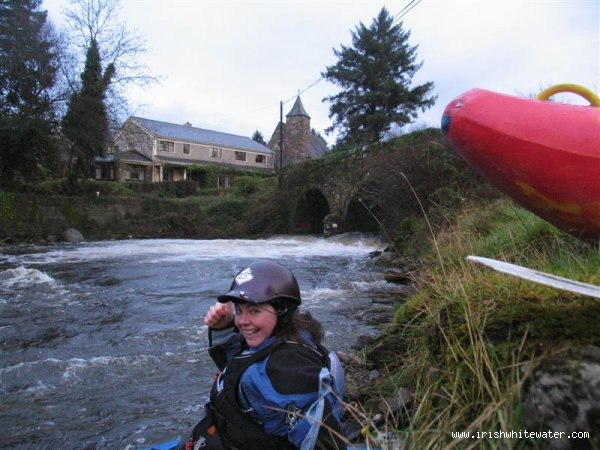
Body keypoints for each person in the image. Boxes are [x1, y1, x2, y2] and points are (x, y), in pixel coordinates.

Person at [179, 260, 346, 450]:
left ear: (282, 310)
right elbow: (241, 369)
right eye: (239, 310)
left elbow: (321, 441)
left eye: (254, 311)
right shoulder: (290, 335)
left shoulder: (286, 372)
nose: (242, 321)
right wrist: (224, 327)